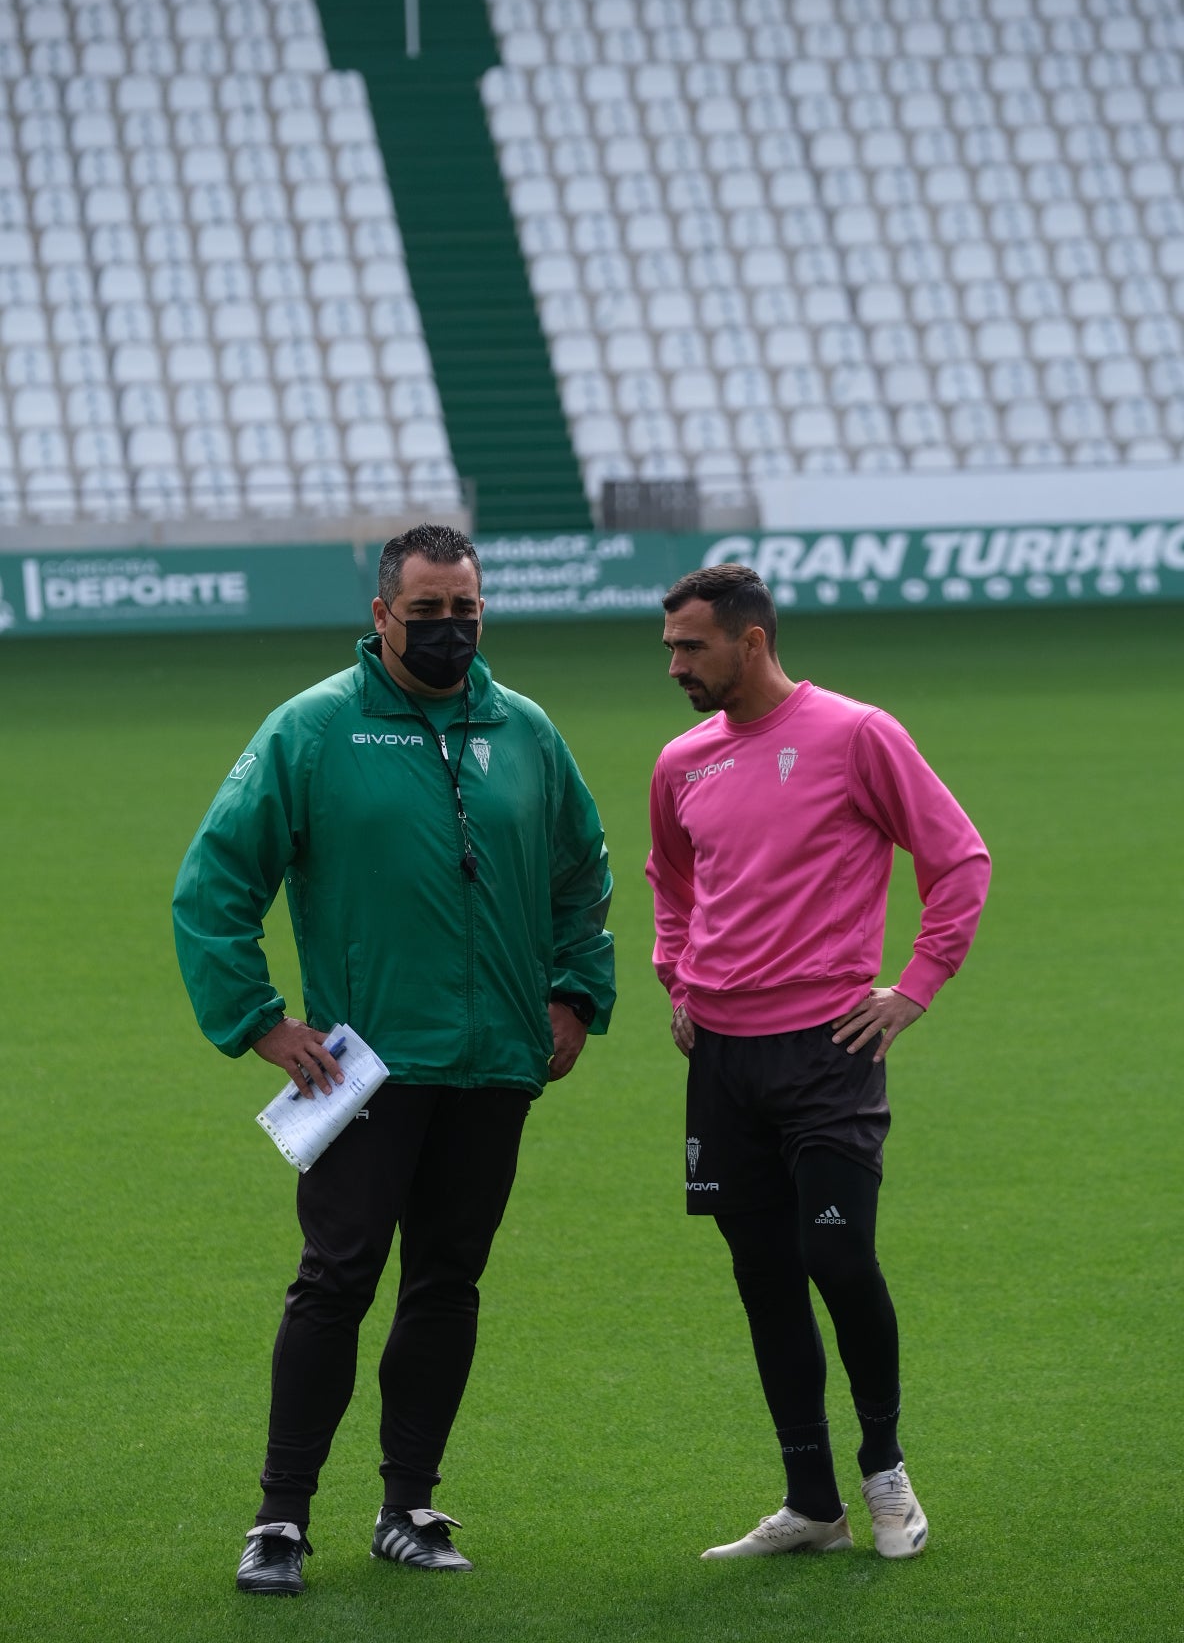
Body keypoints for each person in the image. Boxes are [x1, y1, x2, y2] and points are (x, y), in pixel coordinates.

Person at [174, 523, 614, 1596]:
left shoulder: (523, 731)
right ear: (380, 617)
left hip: (495, 1067)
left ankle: (407, 1505)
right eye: (426, 613)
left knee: (447, 1283)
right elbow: (215, 882)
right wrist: (260, 1021)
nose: (449, 629)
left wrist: (572, 996)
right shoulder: (316, 728)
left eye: (465, 609)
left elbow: (580, 876)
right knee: (334, 1283)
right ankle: (279, 1520)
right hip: (365, 1073)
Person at [646, 564, 989, 1562]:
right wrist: (678, 978)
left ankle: (883, 1473)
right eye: (668, 648)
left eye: (690, 647)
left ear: (750, 642)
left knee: (835, 1257)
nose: (674, 666)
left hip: (826, 1050)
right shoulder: (679, 762)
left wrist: (915, 985)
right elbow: (672, 881)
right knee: (761, 1276)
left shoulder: (855, 734)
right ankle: (809, 1505)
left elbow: (955, 857)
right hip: (720, 1059)